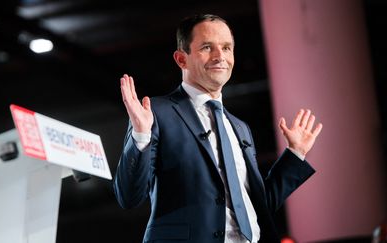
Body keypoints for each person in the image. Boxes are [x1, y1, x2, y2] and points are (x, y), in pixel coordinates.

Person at [113, 13, 323, 243]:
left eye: (226, 47)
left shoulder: (240, 128)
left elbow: (257, 206)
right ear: (182, 59)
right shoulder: (156, 112)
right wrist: (141, 135)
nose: (219, 56)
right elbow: (128, 196)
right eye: (207, 47)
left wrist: (295, 155)